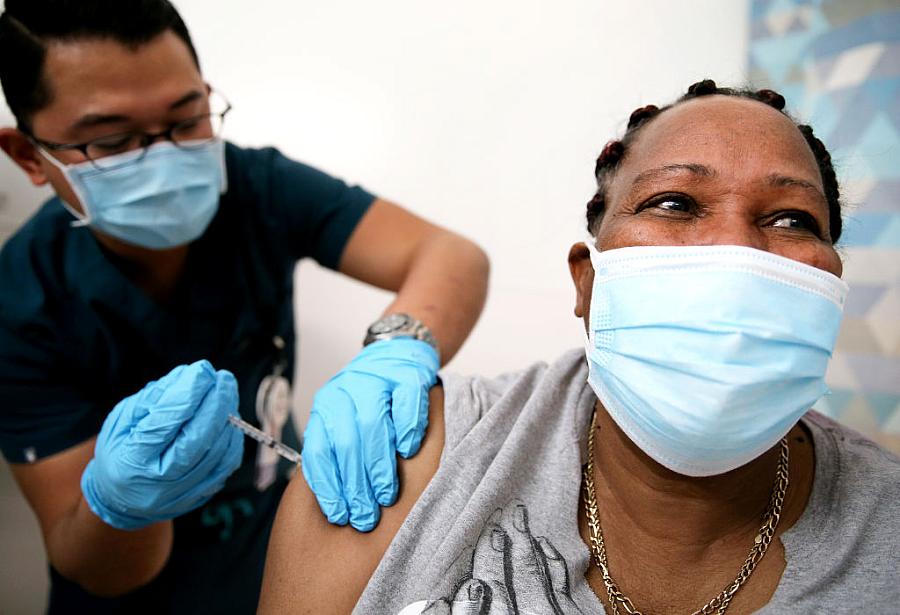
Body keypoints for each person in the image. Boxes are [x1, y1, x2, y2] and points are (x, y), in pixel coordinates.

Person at [259, 80, 900, 614]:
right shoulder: (404, 460)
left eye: (791, 219)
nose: (733, 248)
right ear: (587, 283)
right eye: (675, 203)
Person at [0, 1, 489, 613]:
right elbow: (102, 570)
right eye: (112, 141)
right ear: (27, 156)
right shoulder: (19, 302)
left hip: (272, 561)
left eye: (186, 121)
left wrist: (398, 347)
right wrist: (123, 504)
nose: (165, 158)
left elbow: (449, 254)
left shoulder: (253, 185)